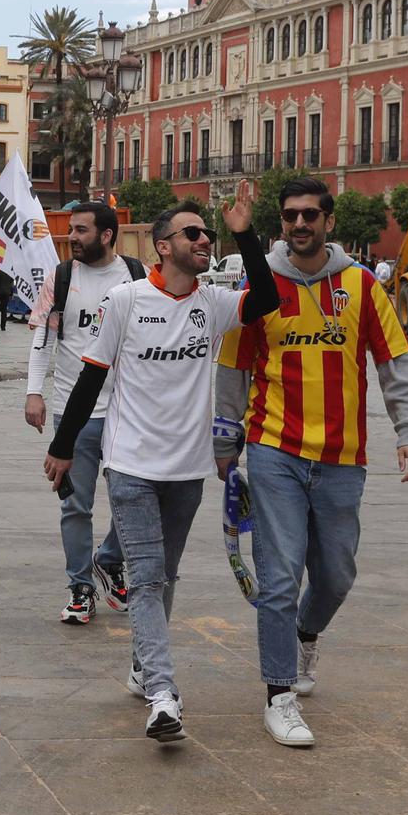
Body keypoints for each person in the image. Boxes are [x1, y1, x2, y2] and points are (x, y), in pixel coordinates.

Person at [45, 193, 274, 744]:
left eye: (206, 234)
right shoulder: (126, 301)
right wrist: (63, 445)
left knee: (164, 579)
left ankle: (143, 663)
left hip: (188, 469)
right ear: (163, 245)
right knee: (146, 580)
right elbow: (91, 377)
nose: (203, 241)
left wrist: (245, 233)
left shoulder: (213, 303)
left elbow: (265, 296)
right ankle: (163, 694)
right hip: (129, 465)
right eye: (192, 234)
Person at [214, 177, 408, 749]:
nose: (300, 224)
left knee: (335, 574)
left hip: (343, 458)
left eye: (310, 215)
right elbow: (233, 365)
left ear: (328, 222)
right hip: (272, 449)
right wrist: (224, 437)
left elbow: (394, 362)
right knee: (279, 577)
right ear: (280, 223)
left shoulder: (361, 286)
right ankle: (278, 694)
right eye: (290, 216)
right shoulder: (259, 285)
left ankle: (307, 633)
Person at [25, 201, 145, 624]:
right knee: (75, 505)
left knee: (135, 501)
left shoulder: (137, 276)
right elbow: (42, 338)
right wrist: (33, 392)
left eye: (80, 230)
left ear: (107, 234)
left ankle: (109, 558)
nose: (71, 237)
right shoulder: (60, 278)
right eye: (71, 229)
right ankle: (80, 587)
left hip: (126, 412)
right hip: (71, 415)